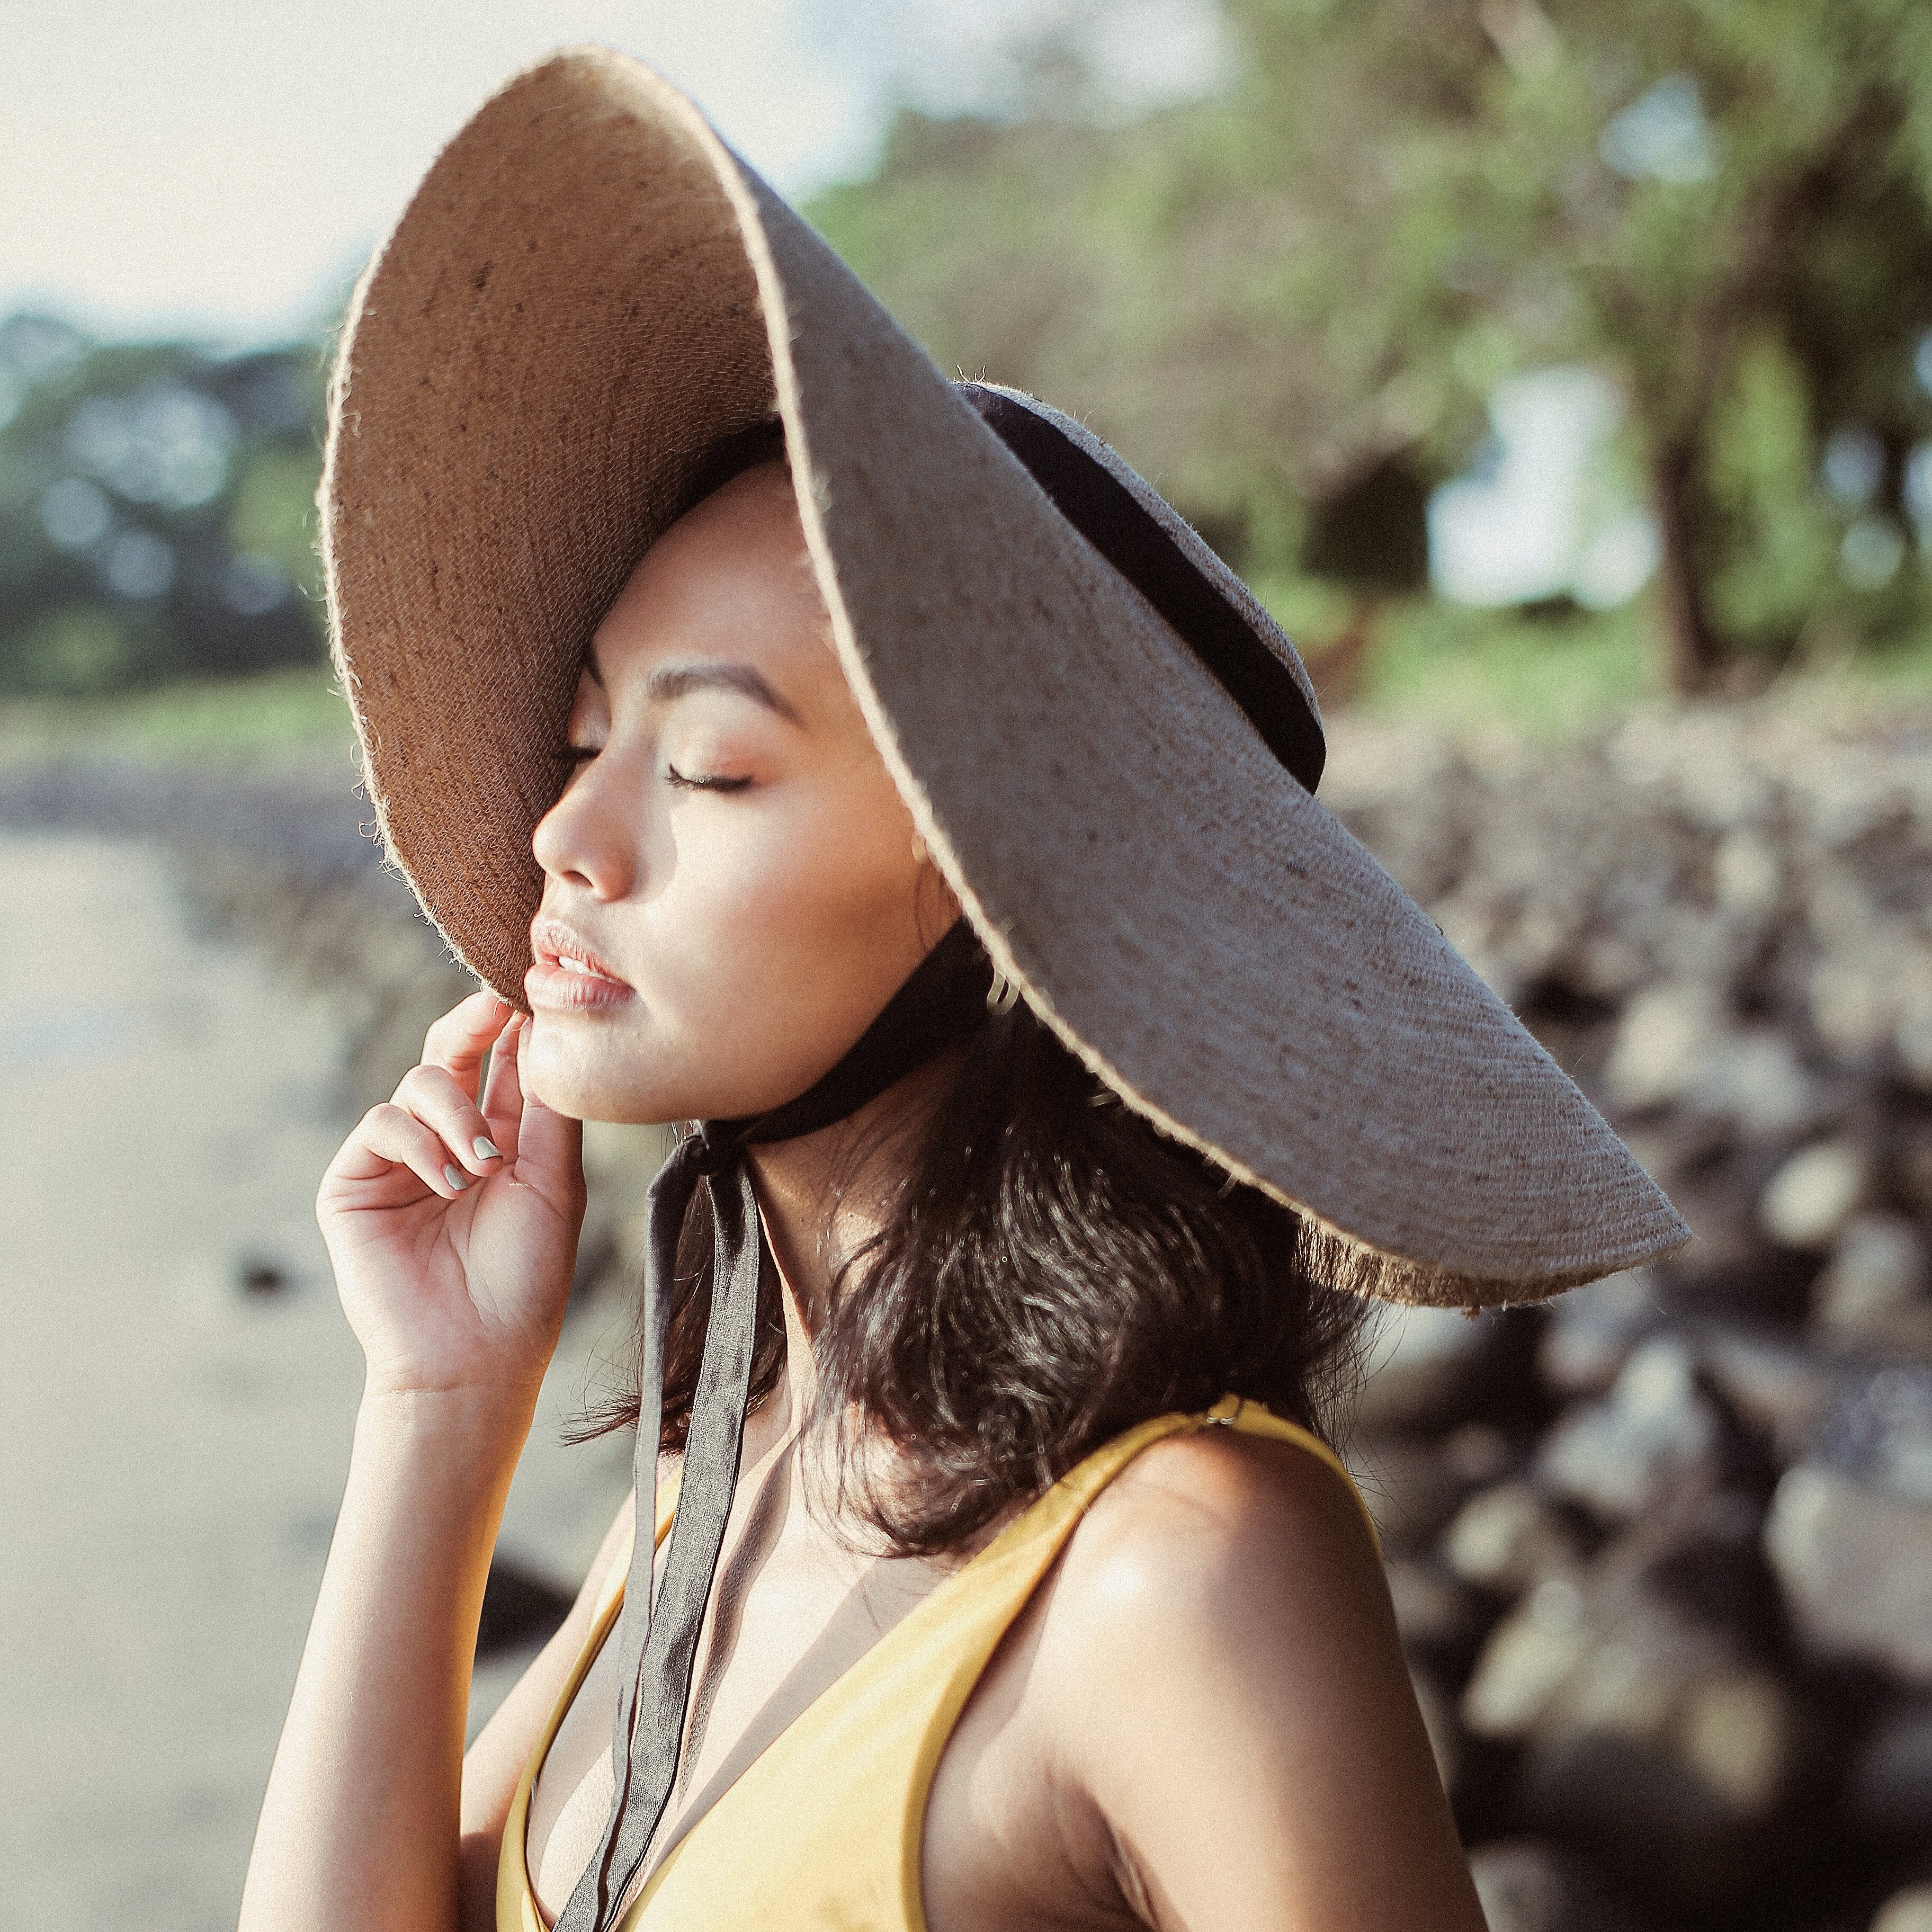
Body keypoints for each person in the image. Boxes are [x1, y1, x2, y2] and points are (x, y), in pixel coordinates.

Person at [239, 49, 1687, 1932]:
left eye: (709, 767)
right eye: (590, 733)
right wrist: (436, 1408)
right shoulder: (734, 1472)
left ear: (1000, 903)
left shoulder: (1185, 1570)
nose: (564, 836)